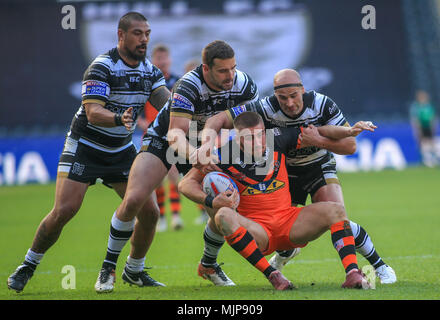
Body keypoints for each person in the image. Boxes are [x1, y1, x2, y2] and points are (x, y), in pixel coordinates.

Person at [7, 12, 171, 293]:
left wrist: (192, 111)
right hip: (86, 146)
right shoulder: (102, 67)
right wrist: (120, 119)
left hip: (120, 150)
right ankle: (28, 265)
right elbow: (93, 113)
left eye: (147, 33)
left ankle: (134, 270)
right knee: (65, 210)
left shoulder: (150, 72)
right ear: (121, 36)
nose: (144, 39)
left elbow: (168, 105)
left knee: (150, 213)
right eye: (137, 33)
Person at [197, 69, 396, 285]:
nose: (289, 103)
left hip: (317, 166)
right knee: (279, 227)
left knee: (338, 216)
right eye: (283, 98)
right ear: (275, 96)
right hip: (286, 171)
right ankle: (283, 254)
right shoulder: (264, 107)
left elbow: (350, 146)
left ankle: (379, 265)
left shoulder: (322, 104)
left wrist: (317, 141)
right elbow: (217, 119)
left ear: (303, 89)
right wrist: (206, 146)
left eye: (294, 96)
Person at [94, 40, 259, 292]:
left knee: (223, 205)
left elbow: (248, 125)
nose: (230, 76)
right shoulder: (188, 85)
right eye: (223, 71)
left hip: (203, 144)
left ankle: (209, 264)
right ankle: (110, 267)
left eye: (233, 68)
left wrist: (233, 152)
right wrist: (196, 154)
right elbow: (175, 134)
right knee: (134, 198)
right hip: (165, 140)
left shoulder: (244, 84)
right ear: (206, 68)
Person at [179, 111, 375, 290]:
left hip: (289, 222)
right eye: (249, 138)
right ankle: (273, 275)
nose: (257, 142)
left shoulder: (278, 138)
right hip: (258, 230)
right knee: (222, 215)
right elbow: (185, 184)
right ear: (237, 137)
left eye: (260, 135)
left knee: (336, 210)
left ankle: (352, 274)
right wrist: (212, 201)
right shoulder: (222, 154)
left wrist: (348, 130)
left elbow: (318, 131)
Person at [137, 44, 183, 232]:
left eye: (165, 58)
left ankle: (176, 216)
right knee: (155, 181)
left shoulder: (178, 82)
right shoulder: (147, 83)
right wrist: (143, 124)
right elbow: (136, 111)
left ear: (169, 60)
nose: (162, 62)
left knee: (173, 175)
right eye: (159, 59)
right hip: (151, 136)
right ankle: (161, 217)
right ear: (153, 61)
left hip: (172, 135)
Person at [409, 90, 438, 167]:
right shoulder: (416, 107)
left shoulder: (429, 106)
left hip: (428, 127)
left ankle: (434, 159)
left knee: (432, 143)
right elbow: (415, 119)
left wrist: (433, 127)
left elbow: (433, 118)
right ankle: (425, 160)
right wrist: (417, 129)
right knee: (422, 144)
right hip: (421, 127)